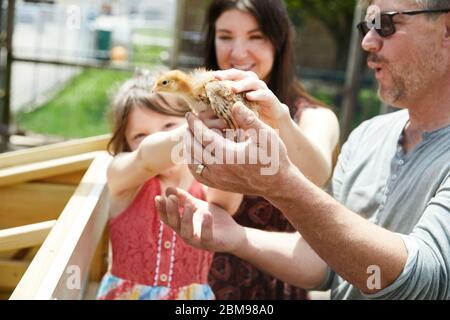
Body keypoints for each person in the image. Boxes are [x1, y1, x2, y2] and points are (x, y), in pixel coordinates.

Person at [156, 0, 450, 300]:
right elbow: (331, 264)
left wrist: (280, 185)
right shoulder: (367, 136)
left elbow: (427, 280)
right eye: (367, 26)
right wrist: (238, 237)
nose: (367, 41)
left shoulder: (314, 117)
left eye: (385, 24)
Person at [200, 0, 340, 300]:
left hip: (281, 282)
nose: (237, 53)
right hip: (202, 285)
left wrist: (276, 117)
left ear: (279, 40)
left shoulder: (312, 116)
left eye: (256, 36)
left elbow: (316, 174)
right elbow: (218, 204)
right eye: (225, 36)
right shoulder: (197, 114)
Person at [96, 73, 241, 300]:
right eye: (140, 135)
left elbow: (229, 197)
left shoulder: (208, 184)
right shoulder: (123, 178)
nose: (155, 138)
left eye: (168, 125)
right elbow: (146, 157)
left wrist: (229, 137)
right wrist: (193, 133)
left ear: (192, 116)